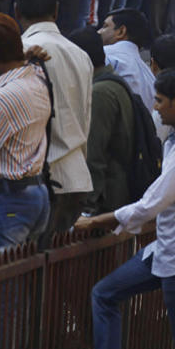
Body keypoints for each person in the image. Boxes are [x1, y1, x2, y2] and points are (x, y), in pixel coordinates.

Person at [77, 68, 175, 349]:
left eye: (159, 100)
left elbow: (150, 204)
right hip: (167, 251)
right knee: (104, 295)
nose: (155, 107)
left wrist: (95, 220)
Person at [16, 0, 94, 245]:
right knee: (55, 273)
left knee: (22, 272)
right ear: (57, 10)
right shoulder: (79, 54)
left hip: (36, 182)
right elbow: (85, 118)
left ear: (16, 12)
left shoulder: (22, 53)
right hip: (74, 177)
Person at [0, 12, 52, 251]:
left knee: (0, 282)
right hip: (37, 193)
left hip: (11, 201)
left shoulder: (1, 100)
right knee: (25, 275)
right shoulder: (38, 76)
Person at [68, 26, 136, 214]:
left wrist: (87, 207)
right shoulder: (110, 83)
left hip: (106, 199)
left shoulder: (100, 93)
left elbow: (94, 155)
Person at [98, 8, 156, 108]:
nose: (99, 32)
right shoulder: (150, 76)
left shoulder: (106, 54)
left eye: (105, 26)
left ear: (121, 31)